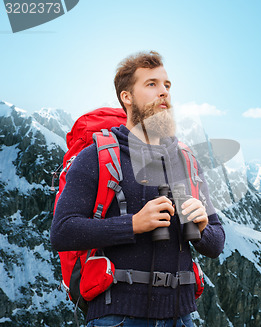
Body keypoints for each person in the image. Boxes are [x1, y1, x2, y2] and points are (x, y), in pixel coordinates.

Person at [51, 51, 225, 327]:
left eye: (167, 85)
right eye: (152, 84)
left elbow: (216, 244)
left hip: (181, 317)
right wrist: (133, 224)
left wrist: (203, 227)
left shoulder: (187, 162)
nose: (164, 92)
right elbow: (62, 232)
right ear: (126, 97)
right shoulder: (97, 156)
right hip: (117, 317)